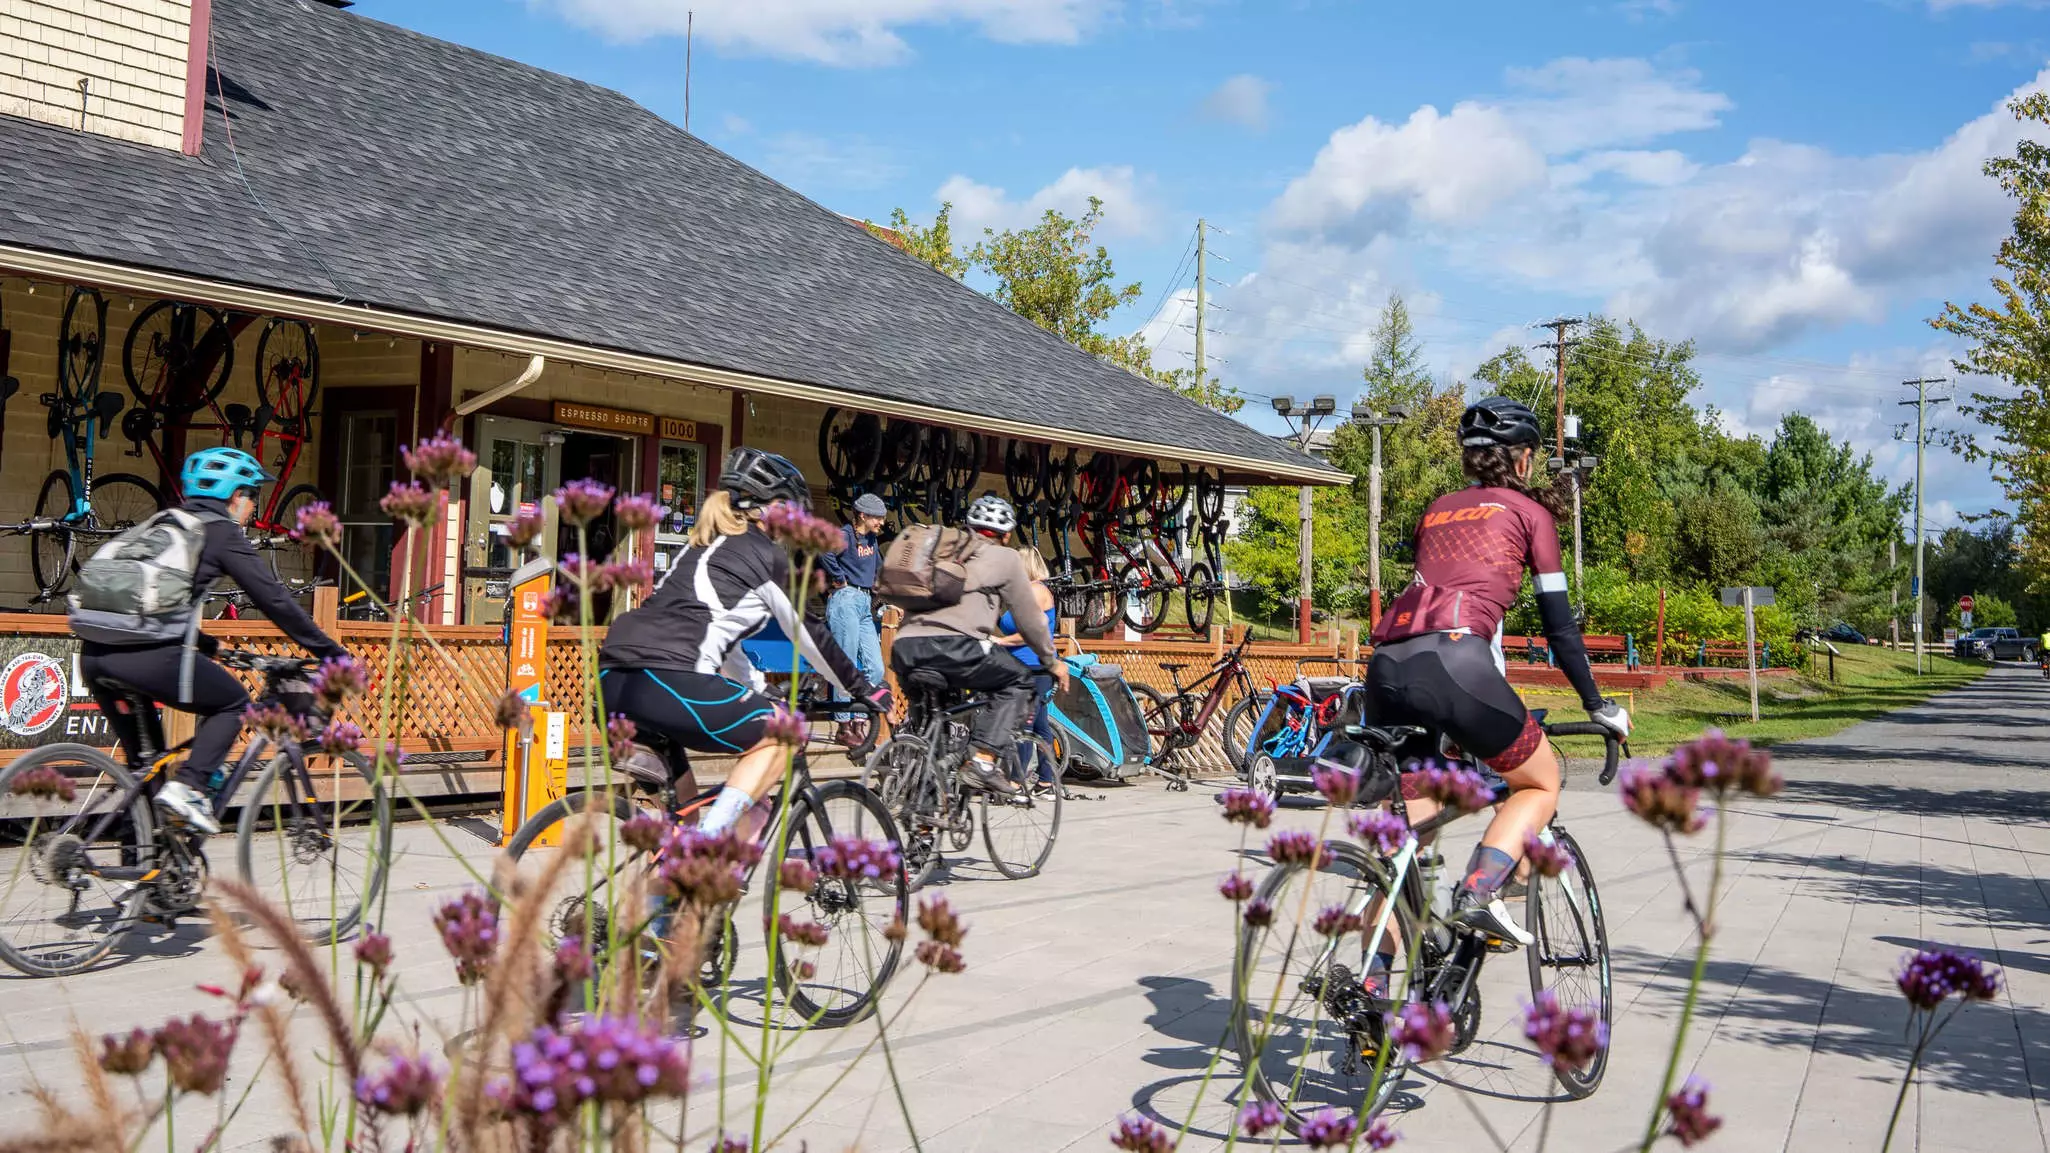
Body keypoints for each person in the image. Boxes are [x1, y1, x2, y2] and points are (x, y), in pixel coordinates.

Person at [1367, 397, 1630, 948]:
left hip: (1388, 665)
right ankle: (1481, 892)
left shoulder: (1437, 509)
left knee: (1406, 850)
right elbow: (1560, 630)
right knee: (1539, 782)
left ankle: (1372, 994)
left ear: (1469, 460)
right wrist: (1597, 706)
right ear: (1525, 459)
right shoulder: (1529, 514)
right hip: (1455, 663)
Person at [599, 447, 890, 837]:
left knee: (683, 817)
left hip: (613, 681)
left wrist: (756, 692)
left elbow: (723, 641)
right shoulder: (764, 555)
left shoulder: (701, 548)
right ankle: (703, 850)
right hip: (672, 679)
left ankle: (666, 891)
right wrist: (863, 689)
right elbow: (810, 635)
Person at [78, 447, 351, 835]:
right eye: (253, 495)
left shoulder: (160, 523)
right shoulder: (221, 531)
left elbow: (150, 608)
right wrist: (330, 651)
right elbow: (273, 599)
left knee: (148, 771)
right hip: (148, 657)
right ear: (235, 495)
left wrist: (213, 649)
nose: (253, 508)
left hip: (94, 656)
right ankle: (191, 789)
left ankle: (146, 878)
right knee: (233, 703)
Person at [891, 493, 1069, 796]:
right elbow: (1030, 620)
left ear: (968, 526)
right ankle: (983, 760)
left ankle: (923, 819)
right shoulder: (1006, 557)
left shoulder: (941, 550)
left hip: (905, 649)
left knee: (936, 735)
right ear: (1007, 534)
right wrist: (1052, 662)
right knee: (1020, 681)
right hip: (955, 648)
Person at [822, 492, 888, 746]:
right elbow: (825, 552)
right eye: (877, 518)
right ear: (862, 515)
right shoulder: (845, 535)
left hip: (863, 602)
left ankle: (860, 717)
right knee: (846, 662)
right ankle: (844, 724)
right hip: (846, 599)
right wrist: (839, 579)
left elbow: (879, 570)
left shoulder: (871, 540)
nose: (881, 523)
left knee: (875, 665)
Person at [993, 545, 1061, 785]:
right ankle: (1046, 780)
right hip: (1019, 667)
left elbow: (1031, 632)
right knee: (1040, 725)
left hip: (1034, 667)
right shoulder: (1022, 593)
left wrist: (1001, 641)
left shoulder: (1036, 591)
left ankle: (1016, 780)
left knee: (1025, 723)